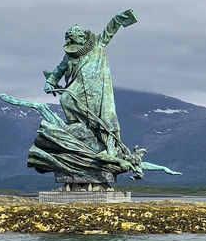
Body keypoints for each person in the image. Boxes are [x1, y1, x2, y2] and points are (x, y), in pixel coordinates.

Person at [43, 9, 138, 156]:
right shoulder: (70, 56)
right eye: (73, 37)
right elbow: (59, 70)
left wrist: (123, 17)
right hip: (78, 86)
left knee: (103, 117)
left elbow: (111, 28)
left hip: (96, 90)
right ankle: (79, 128)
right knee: (66, 99)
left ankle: (107, 144)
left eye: (78, 35)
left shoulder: (97, 44)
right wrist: (50, 81)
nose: (76, 38)